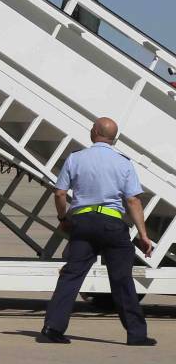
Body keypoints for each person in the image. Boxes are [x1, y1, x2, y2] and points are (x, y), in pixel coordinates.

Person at [41, 117, 156, 346]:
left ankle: (53, 329)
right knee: (122, 280)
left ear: (93, 132)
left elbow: (60, 193)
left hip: (83, 223)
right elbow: (132, 200)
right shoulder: (123, 162)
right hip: (112, 224)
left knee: (72, 275)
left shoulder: (76, 158)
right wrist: (143, 235)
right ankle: (136, 335)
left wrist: (64, 218)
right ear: (115, 138)